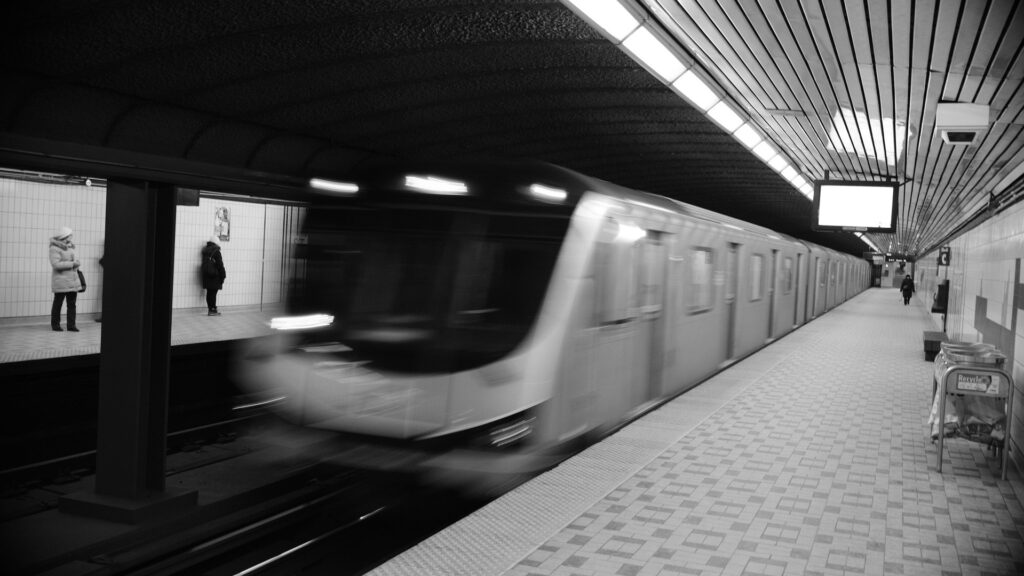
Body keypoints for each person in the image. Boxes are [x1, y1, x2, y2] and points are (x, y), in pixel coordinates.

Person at [49, 226, 82, 331]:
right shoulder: (54, 248)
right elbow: (55, 264)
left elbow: (72, 261)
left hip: (72, 280)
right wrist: (72, 263)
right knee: (58, 304)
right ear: (65, 236)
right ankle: (55, 325)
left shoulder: (70, 247)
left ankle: (71, 326)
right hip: (61, 281)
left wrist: (76, 263)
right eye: (70, 234)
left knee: (72, 304)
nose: (72, 236)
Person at [201, 236, 226, 316]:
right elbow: (220, 265)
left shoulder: (206, 250)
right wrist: (223, 275)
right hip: (214, 275)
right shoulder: (216, 251)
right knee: (213, 293)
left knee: (209, 292)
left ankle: (210, 309)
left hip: (207, 274)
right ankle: (213, 310)